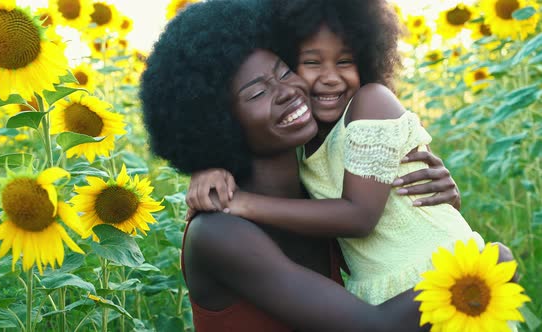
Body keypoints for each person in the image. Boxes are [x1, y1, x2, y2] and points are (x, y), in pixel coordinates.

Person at [141, 0, 513, 331]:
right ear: (214, 122)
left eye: (285, 71)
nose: (287, 90)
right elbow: (372, 325)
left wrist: (429, 200)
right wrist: (490, 264)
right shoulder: (219, 233)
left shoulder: (320, 196)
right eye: (257, 92)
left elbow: (387, 237)